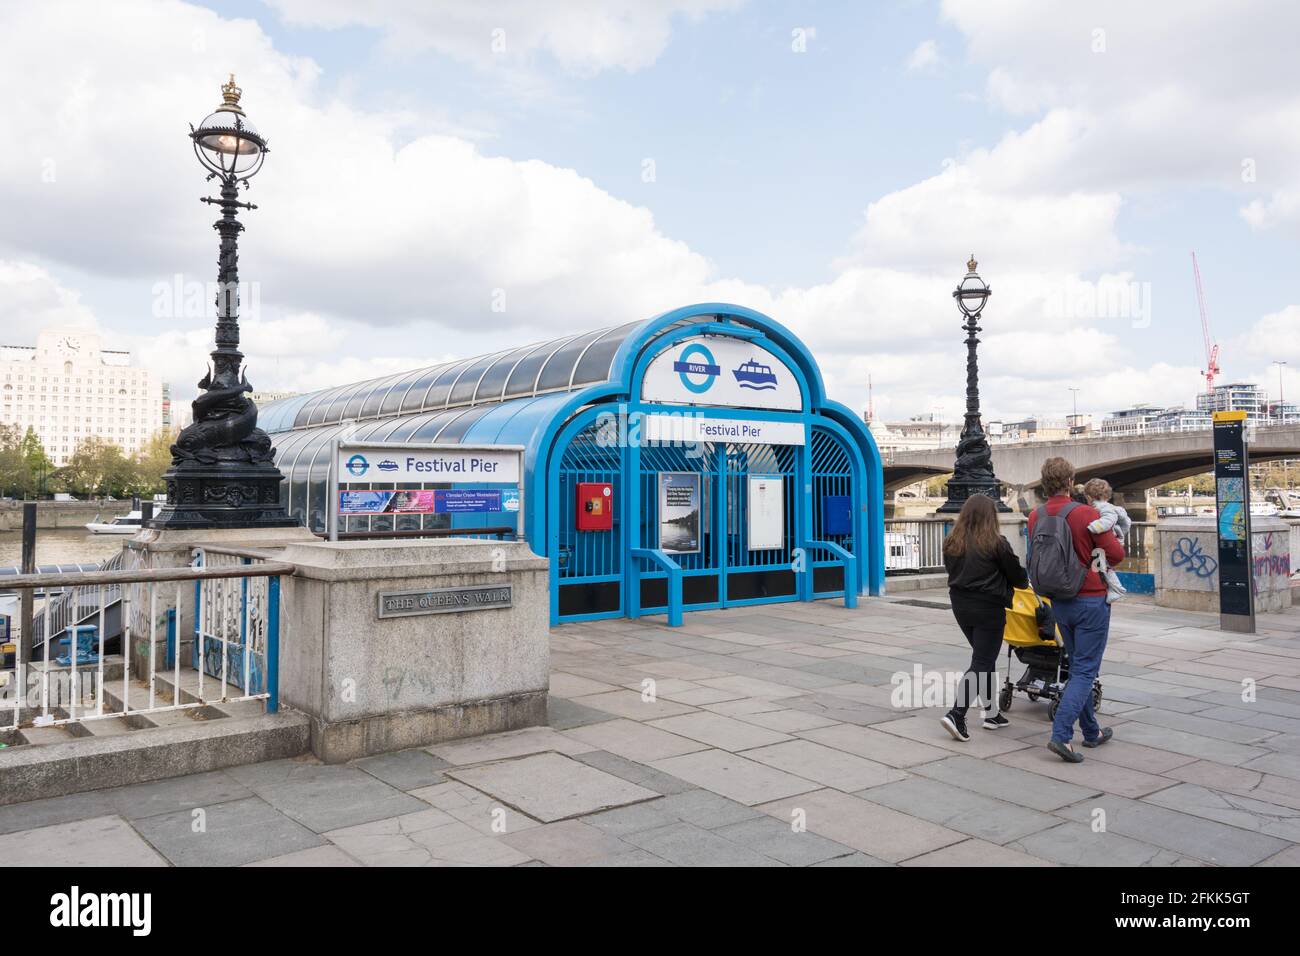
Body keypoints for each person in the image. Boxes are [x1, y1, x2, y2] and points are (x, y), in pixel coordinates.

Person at [1028, 457, 1125, 762]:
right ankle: (1061, 736)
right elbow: (1116, 554)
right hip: (1090, 599)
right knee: (1085, 670)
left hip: (1058, 602)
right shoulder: (1086, 513)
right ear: (1070, 482)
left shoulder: (1036, 515)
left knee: (1077, 667)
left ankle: (1092, 731)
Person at [939, 494, 1028, 742]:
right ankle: (957, 713)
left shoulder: (951, 542)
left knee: (984, 659)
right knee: (981, 661)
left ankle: (992, 713)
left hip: (961, 606)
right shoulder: (996, 543)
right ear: (991, 517)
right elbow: (1019, 578)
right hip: (989, 607)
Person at [1083, 477, 1131, 604]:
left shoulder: (1103, 508)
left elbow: (1108, 520)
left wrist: (1095, 527)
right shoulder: (1107, 506)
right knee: (1103, 567)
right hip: (1115, 539)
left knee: (1104, 567)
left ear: (1088, 497)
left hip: (1114, 539)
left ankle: (1117, 589)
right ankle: (1114, 588)